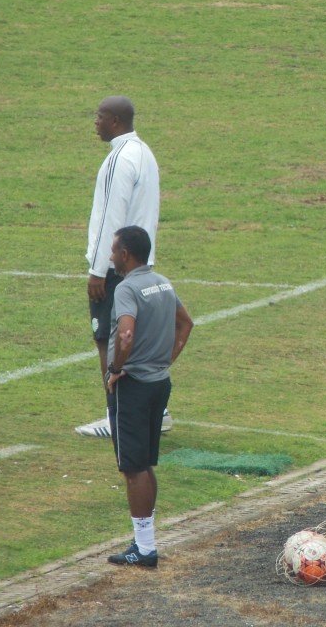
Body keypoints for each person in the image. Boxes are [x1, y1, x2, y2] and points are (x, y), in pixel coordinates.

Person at [104, 226, 193, 567]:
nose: (111, 256)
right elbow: (185, 324)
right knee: (144, 465)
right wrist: (165, 360)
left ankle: (144, 550)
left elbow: (125, 335)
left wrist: (115, 369)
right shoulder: (164, 282)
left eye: (114, 250)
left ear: (126, 254)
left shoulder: (127, 288)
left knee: (133, 467)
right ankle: (144, 542)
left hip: (134, 385)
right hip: (159, 382)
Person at [76, 95, 164, 438]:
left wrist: (99, 269)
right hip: (144, 263)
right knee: (137, 340)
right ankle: (159, 412)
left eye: (99, 117)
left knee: (109, 342)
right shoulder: (145, 154)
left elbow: (109, 217)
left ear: (115, 121)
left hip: (117, 268)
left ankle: (116, 416)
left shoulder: (118, 159)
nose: (95, 122)